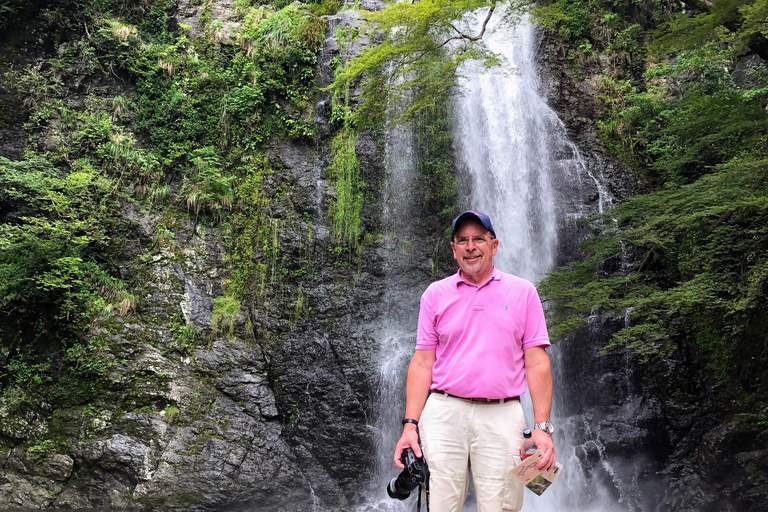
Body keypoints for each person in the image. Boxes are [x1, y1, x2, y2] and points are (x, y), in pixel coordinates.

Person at [393, 210, 556, 512]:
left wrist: (542, 428)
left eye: (479, 239)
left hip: (503, 411)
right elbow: (422, 363)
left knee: (501, 503)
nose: (471, 246)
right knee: (441, 501)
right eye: (463, 240)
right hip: (444, 409)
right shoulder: (434, 295)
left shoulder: (524, 292)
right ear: (453, 249)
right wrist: (409, 425)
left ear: (495, 245)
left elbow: (537, 363)